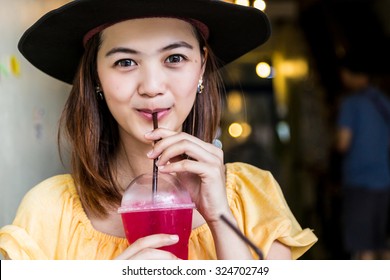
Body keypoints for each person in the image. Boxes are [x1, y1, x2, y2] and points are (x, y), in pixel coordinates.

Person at [0, 0, 317, 260]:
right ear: (95, 74)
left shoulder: (252, 196)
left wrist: (220, 217)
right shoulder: (48, 211)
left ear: (202, 65)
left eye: (175, 58)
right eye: (125, 62)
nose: (152, 87)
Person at [336, 53, 390, 260]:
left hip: (359, 182)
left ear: (351, 74)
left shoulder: (351, 104)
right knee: (382, 242)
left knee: (363, 246)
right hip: (384, 180)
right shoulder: (383, 102)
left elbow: (343, 143)